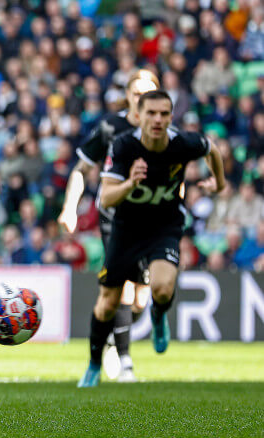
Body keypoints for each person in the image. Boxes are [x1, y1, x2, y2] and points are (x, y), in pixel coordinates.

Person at [78, 90, 225, 387]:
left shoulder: (183, 142)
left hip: (164, 226)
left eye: (164, 114)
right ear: (139, 116)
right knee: (108, 303)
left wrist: (218, 183)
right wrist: (131, 182)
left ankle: (158, 315)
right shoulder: (123, 145)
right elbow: (106, 197)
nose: (158, 119)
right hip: (126, 229)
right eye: (151, 113)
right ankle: (94, 364)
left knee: (162, 288)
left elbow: (212, 149)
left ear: (171, 117)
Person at [58, 70, 159, 382]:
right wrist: (69, 208)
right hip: (114, 215)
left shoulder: (163, 129)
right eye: (136, 93)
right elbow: (81, 169)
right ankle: (125, 362)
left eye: (148, 93)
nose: (142, 99)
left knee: (141, 298)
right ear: (127, 96)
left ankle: (116, 339)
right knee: (123, 286)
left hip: (150, 218)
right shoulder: (110, 127)